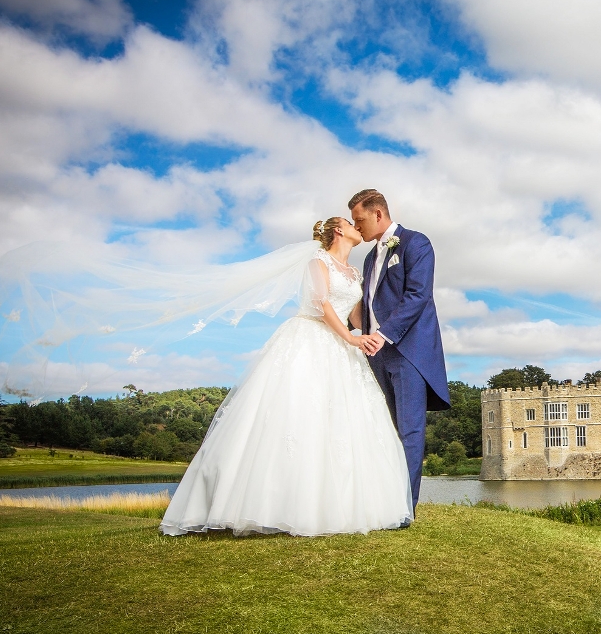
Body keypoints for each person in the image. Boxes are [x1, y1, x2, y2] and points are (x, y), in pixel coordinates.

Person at [159, 217, 413, 536]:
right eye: (351, 224)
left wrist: (370, 337)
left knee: (343, 422)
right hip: (309, 339)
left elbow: (354, 313)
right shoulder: (317, 262)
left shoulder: (354, 272)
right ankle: (267, 506)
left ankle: (337, 508)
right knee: (293, 413)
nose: (357, 228)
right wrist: (350, 338)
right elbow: (321, 304)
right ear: (338, 231)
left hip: (342, 349)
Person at [348, 189, 450, 510]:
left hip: (408, 351)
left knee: (409, 430)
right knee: (385, 429)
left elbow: (418, 296)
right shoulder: (368, 257)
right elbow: (368, 305)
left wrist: (385, 334)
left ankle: (405, 508)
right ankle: (384, 500)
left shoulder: (415, 243)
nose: (357, 226)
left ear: (378, 214)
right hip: (375, 355)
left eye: (359, 219)